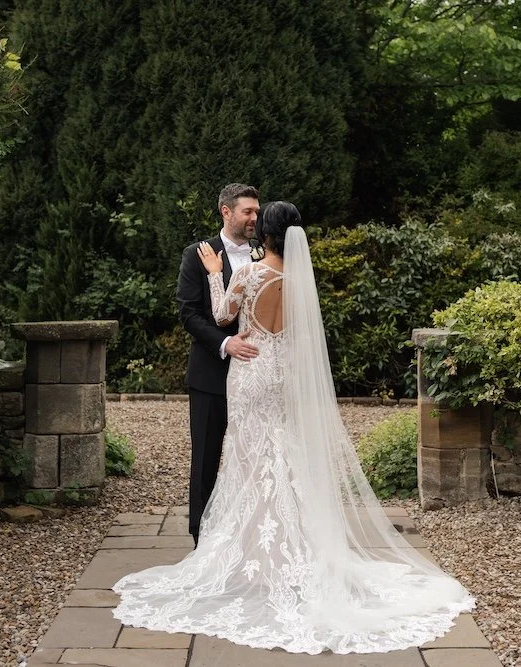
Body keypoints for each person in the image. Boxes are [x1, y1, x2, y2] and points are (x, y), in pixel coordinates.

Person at [113, 201, 475, 654]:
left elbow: (222, 316)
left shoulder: (249, 273)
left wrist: (215, 273)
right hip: (284, 376)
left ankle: (251, 553)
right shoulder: (301, 281)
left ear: (265, 234)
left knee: (249, 457)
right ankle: (295, 547)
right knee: (283, 454)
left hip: (251, 372)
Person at [176, 183, 261, 547]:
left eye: (257, 211)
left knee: (253, 456)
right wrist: (226, 343)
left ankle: (249, 536)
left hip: (256, 375)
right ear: (226, 212)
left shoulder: (264, 253)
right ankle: (201, 539)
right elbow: (189, 313)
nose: (254, 218)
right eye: (247, 212)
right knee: (206, 458)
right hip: (211, 373)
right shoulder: (198, 254)